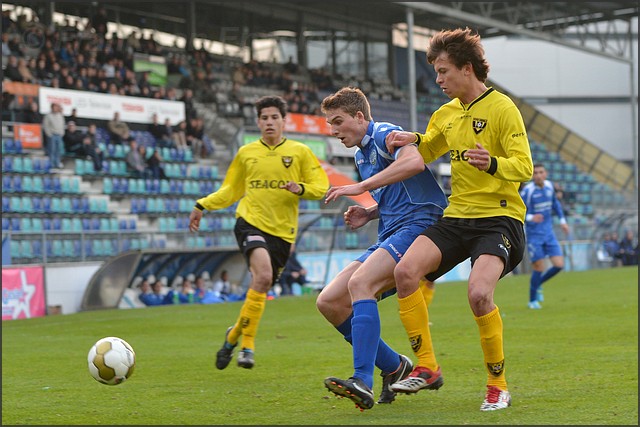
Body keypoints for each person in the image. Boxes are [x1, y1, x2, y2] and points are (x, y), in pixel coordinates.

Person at [385, 27, 533, 411]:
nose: (438, 79)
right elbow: (431, 145)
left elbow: (526, 167)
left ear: (467, 69)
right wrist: (410, 139)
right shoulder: (446, 113)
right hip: (457, 216)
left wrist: (494, 162)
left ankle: (497, 385)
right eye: (436, 71)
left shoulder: (502, 108)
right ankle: (427, 367)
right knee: (405, 273)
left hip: (499, 219)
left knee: (479, 294)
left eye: (444, 71)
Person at [318, 87, 448, 410]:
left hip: (419, 225)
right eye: (330, 125)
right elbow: (396, 190)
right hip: (390, 230)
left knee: (360, 283)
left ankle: (362, 379)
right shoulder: (362, 154)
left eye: (338, 122)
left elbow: (415, 162)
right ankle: (395, 367)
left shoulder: (385, 133)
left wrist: (362, 188)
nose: (334, 132)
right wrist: (369, 211)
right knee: (330, 302)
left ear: (360, 117)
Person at [188, 95, 329, 370]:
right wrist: (202, 204)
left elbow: (321, 185)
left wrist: (300, 188)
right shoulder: (246, 153)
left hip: (283, 234)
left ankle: (232, 337)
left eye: (274, 117)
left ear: (283, 121)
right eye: (264, 118)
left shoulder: (299, 152)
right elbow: (231, 190)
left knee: (261, 286)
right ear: (258, 122)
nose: (269, 122)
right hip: (249, 222)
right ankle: (248, 347)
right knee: (263, 275)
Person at [519, 163, 570, 308]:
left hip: (549, 233)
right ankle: (532, 300)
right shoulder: (528, 191)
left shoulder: (549, 187)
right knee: (539, 267)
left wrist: (563, 222)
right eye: (535, 173)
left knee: (559, 265)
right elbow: (519, 211)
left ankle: (538, 283)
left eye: (541, 172)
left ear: (545, 173)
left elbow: (556, 205)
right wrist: (530, 218)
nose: (538, 175)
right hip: (534, 235)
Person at [42, 102, 66, 169]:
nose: (56, 108)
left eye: (57, 107)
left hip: (59, 135)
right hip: (52, 135)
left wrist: (62, 133)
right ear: (52, 108)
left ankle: (57, 163)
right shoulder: (48, 116)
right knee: (52, 150)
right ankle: (52, 164)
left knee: (58, 150)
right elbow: (45, 126)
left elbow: (62, 124)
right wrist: (49, 134)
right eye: (54, 107)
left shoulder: (60, 115)